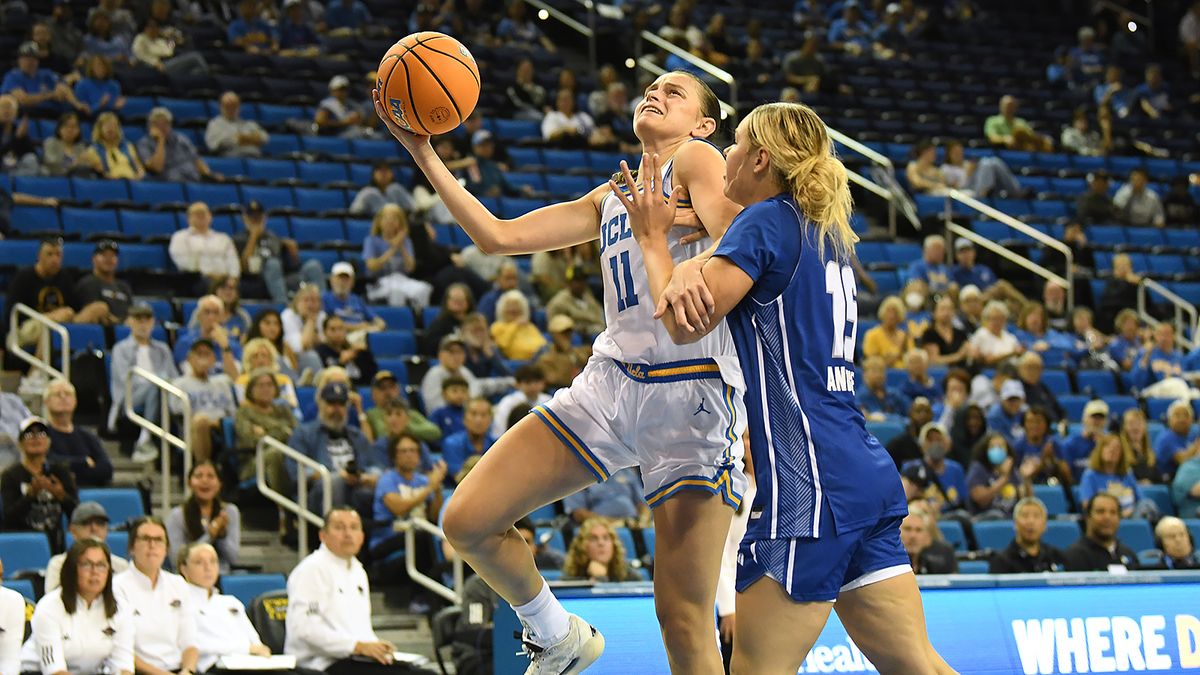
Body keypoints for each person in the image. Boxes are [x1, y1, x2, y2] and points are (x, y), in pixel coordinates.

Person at [373, 69, 749, 672]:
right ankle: (556, 635)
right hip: (611, 383)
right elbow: (497, 237)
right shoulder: (610, 197)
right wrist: (422, 149)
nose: (655, 93)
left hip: (692, 394)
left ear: (703, 124)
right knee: (467, 521)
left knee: (682, 618)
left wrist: (682, 228)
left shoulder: (700, 159)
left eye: (674, 92)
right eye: (651, 87)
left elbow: (743, 244)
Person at [615, 101, 952, 672]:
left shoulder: (767, 220)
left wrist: (652, 239)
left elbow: (681, 320)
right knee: (918, 666)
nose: (726, 153)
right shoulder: (824, 229)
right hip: (861, 469)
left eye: (737, 143)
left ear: (761, 160)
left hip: (808, 484)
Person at [284, 507, 428, 673]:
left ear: (362, 536)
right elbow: (305, 629)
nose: (347, 534)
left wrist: (376, 646)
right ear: (323, 535)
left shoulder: (358, 571)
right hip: (321, 663)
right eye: (339, 527)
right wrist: (357, 646)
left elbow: (359, 630)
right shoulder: (311, 569)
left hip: (355, 658)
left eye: (354, 527)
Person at [19, 539, 134, 675]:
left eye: (101, 565)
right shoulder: (49, 606)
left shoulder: (121, 607)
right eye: (86, 564)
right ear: (72, 569)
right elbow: (54, 670)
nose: (95, 572)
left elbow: (124, 665)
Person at [369, 434, 448, 611]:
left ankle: (435, 594)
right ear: (394, 455)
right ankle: (419, 596)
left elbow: (435, 516)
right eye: (403, 451)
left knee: (429, 537)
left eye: (413, 450)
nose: (409, 455)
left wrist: (436, 491)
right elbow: (399, 508)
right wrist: (430, 487)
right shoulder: (387, 480)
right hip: (388, 542)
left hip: (418, 542)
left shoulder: (422, 480)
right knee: (422, 536)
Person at [176, 542, 275, 673]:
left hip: (248, 664)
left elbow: (255, 641)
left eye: (213, 561)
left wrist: (261, 650)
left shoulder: (230, 602)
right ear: (184, 569)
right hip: (212, 667)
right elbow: (195, 645)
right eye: (199, 562)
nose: (208, 568)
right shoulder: (181, 602)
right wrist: (245, 648)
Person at [286, 382, 381, 516]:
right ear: (320, 405)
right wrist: (331, 473)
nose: (336, 409)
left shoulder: (356, 435)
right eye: (331, 404)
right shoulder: (304, 433)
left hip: (356, 487)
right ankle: (336, 529)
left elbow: (375, 466)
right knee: (336, 481)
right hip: (317, 493)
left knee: (385, 484)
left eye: (341, 405)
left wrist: (367, 477)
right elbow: (296, 472)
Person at [1, 417, 79, 550]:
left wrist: (61, 495)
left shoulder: (60, 472)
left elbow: (77, 514)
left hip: (56, 544)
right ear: (20, 443)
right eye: (29, 434)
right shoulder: (10, 476)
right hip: (22, 545)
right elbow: (8, 520)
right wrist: (31, 495)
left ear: (48, 442)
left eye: (41, 434)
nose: (36, 438)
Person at [236, 201, 326, 304]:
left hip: (282, 279)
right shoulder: (239, 239)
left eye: (259, 217)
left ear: (264, 218)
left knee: (313, 266)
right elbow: (244, 267)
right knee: (272, 264)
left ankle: (322, 306)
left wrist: (291, 251)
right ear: (245, 218)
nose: (256, 221)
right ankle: (283, 305)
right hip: (257, 280)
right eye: (253, 217)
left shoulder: (273, 237)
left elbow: (294, 265)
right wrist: (254, 236)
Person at [166, 461, 241, 573]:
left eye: (210, 476)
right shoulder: (177, 515)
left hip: (221, 576)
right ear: (189, 483)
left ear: (220, 483)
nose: (205, 481)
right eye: (198, 476)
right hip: (188, 578)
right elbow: (176, 560)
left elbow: (233, 558)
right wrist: (210, 535)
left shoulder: (230, 512)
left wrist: (222, 536)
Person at [45, 501, 131, 592]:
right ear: (73, 531)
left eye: (100, 523)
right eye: (86, 523)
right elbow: (51, 600)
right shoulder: (58, 564)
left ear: (107, 529)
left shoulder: (121, 566)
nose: (94, 528)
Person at [362, 204, 433, 310]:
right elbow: (372, 266)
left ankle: (419, 321)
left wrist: (401, 246)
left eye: (394, 218)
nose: (390, 221)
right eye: (386, 218)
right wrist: (393, 248)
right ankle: (397, 322)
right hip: (378, 283)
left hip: (401, 279)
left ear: (400, 223)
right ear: (379, 222)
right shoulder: (371, 241)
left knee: (425, 289)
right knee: (397, 292)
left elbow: (410, 267)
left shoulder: (406, 242)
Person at [44, 378, 113, 487]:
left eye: (67, 394)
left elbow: (106, 469)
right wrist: (84, 462)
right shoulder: (43, 435)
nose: (63, 397)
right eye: (57, 394)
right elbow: (49, 465)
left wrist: (72, 471)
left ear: (75, 401)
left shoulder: (88, 436)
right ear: (46, 402)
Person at [171, 203, 241, 291]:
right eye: (197, 214)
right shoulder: (180, 237)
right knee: (205, 285)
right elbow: (183, 262)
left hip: (225, 280)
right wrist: (209, 274)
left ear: (210, 216)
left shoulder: (223, 238)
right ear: (188, 218)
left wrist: (233, 278)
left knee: (251, 287)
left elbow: (233, 260)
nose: (201, 217)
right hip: (198, 279)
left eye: (204, 213)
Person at [1062, 493, 1140, 571]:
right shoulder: (1075, 556)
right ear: (1087, 517)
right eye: (1100, 512)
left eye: (1113, 512)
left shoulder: (1128, 554)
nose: (1107, 517)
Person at [1079, 433, 1149, 519]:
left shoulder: (1127, 474)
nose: (1112, 450)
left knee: (1147, 505)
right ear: (1100, 450)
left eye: (1117, 448)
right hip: (1106, 519)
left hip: (1132, 517)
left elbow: (1141, 501)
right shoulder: (1090, 475)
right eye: (1107, 446)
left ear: (1122, 454)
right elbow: (1087, 506)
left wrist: (1130, 512)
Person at [987, 497, 1065, 573]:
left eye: (1036, 516)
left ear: (1045, 525)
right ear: (1015, 524)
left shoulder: (1056, 557)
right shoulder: (1001, 562)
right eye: (1025, 516)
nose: (1030, 521)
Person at [138, 107, 216, 182]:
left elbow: (197, 160)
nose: (162, 127)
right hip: (172, 184)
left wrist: (211, 176)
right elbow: (157, 168)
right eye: (157, 124)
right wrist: (161, 140)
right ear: (150, 126)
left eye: (165, 123)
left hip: (194, 180)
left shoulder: (182, 139)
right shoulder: (144, 143)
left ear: (170, 124)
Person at [174, 295, 243, 376]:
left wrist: (225, 347)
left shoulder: (232, 345)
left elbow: (234, 377)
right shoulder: (184, 342)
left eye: (216, 312)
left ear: (222, 317)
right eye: (207, 312)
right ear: (199, 316)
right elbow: (188, 374)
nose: (211, 317)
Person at [560, 518, 644, 582]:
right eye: (593, 539)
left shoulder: (631, 578)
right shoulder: (569, 581)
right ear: (582, 545)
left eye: (606, 538)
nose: (601, 543)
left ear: (614, 545)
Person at [74, 239, 134, 326]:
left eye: (112, 255)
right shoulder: (87, 283)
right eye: (104, 255)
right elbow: (95, 314)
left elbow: (130, 312)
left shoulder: (124, 286)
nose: (108, 259)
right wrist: (121, 323)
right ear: (94, 259)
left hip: (124, 331)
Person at [323, 262, 387, 335]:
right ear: (331, 280)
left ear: (352, 282)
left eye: (346, 279)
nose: (342, 282)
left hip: (362, 334)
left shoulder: (357, 300)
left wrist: (377, 325)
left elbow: (379, 321)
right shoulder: (325, 299)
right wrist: (359, 327)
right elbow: (328, 325)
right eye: (339, 278)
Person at [898, 501, 958, 574]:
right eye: (908, 529)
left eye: (918, 530)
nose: (913, 536)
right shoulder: (887, 561)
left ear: (926, 536)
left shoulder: (938, 559)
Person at [492, 365, 551, 438]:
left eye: (536, 382)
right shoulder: (508, 402)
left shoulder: (549, 401)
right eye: (528, 382)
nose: (532, 386)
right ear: (518, 384)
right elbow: (499, 430)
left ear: (543, 383)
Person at [205, 90, 268, 157]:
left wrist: (244, 138)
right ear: (221, 107)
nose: (231, 109)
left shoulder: (248, 124)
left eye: (234, 105)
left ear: (239, 107)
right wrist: (237, 139)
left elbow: (264, 138)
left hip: (254, 156)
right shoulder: (214, 124)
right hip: (231, 159)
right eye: (228, 106)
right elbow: (212, 145)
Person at [350, 161, 416, 215]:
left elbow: (414, 208)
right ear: (373, 174)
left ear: (392, 174)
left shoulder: (398, 189)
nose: (383, 174)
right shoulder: (367, 192)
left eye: (386, 170)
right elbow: (354, 212)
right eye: (380, 170)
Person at [41, 111, 91, 176]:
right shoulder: (51, 142)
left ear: (78, 130)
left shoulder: (80, 146)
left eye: (73, 126)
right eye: (66, 126)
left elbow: (86, 164)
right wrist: (74, 164)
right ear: (59, 129)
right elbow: (51, 163)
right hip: (54, 178)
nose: (69, 129)